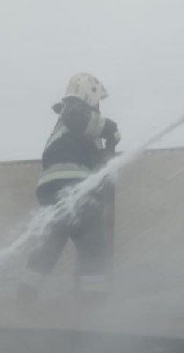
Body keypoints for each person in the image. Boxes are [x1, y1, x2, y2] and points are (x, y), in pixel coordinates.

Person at [19, 72, 121, 308]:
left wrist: (108, 150)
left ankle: (25, 296)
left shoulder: (78, 131)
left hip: (55, 197)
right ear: (88, 93)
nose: (98, 107)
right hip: (77, 195)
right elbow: (81, 117)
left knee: (48, 246)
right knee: (94, 249)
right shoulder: (73, 111)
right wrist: (111, 128)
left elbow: (99, 168)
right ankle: (91, 305)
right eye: (97, 100)